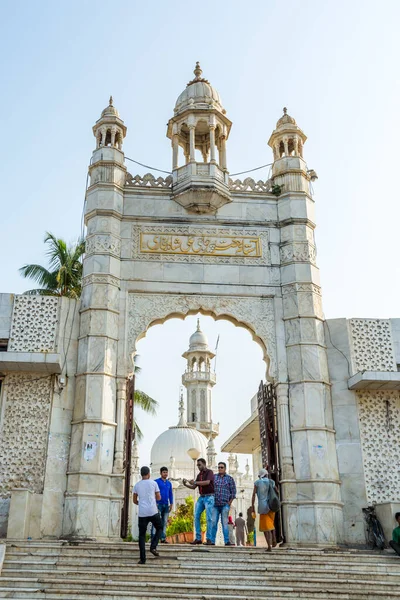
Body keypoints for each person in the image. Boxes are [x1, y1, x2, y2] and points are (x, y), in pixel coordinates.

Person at [133, 466, 163, 565]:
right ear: (149, 474)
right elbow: (158, 497)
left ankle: (143, 559)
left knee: (141, 536)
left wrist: (141, 503)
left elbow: (134, 500)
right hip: (153, 511)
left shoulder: (137, 485)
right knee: (159, 528)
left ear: (141, 474)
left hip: (142, 513)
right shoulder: (154, 483)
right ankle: (153, 546)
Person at [183, 457, 215, 545]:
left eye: (199, 465)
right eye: (197, 465)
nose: (198, 466)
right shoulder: (199, 475)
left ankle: (209, 539)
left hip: (209, 497)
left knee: (209, 518)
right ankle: (198, 538)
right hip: (202, 497)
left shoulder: (209, 472)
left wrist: (195, 482)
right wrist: (186, 484)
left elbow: (207, 482)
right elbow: (194, 487)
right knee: (196, 516)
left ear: (204, 464)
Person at [211, 461, 236, 546]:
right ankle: (212, 541)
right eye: (218, 467)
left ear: (225, 468)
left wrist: (229, 503)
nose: (220, 469)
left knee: (225, 523)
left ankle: (226, 541)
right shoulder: (214, 477)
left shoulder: (229, 479)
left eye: (221, 467)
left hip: (225, 504)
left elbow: (233, 492)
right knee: (213, 522)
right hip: (215, 504)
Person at [251, 468, 276, 552]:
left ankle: (269, 546)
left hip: (263, 507)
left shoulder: (257, 483)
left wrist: (252, 506)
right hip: (272, 506)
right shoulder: (271, 482)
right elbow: (277, 491)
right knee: (271, 524)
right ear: (267, 474)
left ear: (259, 475)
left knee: (266, 528)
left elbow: (253, 495)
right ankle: (274, 538)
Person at [151, 466, 174, 544]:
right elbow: (153, 493)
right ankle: (153, 537)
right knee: (156, 521)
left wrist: (171, 503)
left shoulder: (169, 483)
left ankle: (163, 538)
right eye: (164, 472)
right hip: (158, 505)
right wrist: (155, 503)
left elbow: (170, 494)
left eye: (166, 472)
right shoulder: (156, 482)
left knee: (164, 522)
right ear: (160, 473)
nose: (165, 474)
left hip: (166, 505)